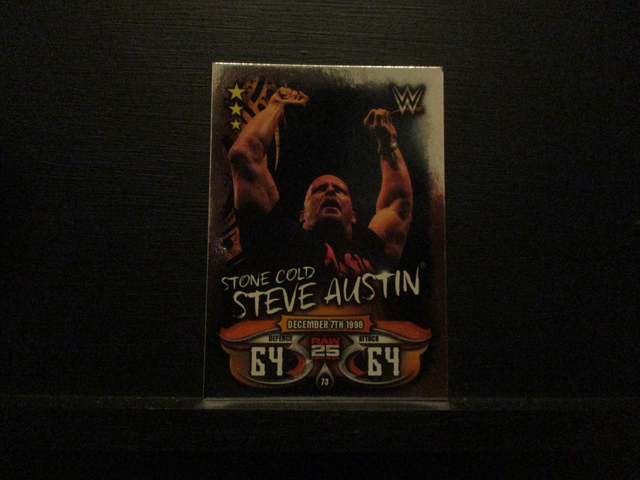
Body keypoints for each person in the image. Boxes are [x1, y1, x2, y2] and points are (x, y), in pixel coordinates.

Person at [227, 86, 413, 281]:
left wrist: (388, 143)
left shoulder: (370, 249)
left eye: (340, 190)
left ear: (354, 216)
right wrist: (276, 106)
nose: (330, 191)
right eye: (319, 189)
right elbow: (244, 156)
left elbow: (398, 203)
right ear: (302, 215)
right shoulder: (279, 241)